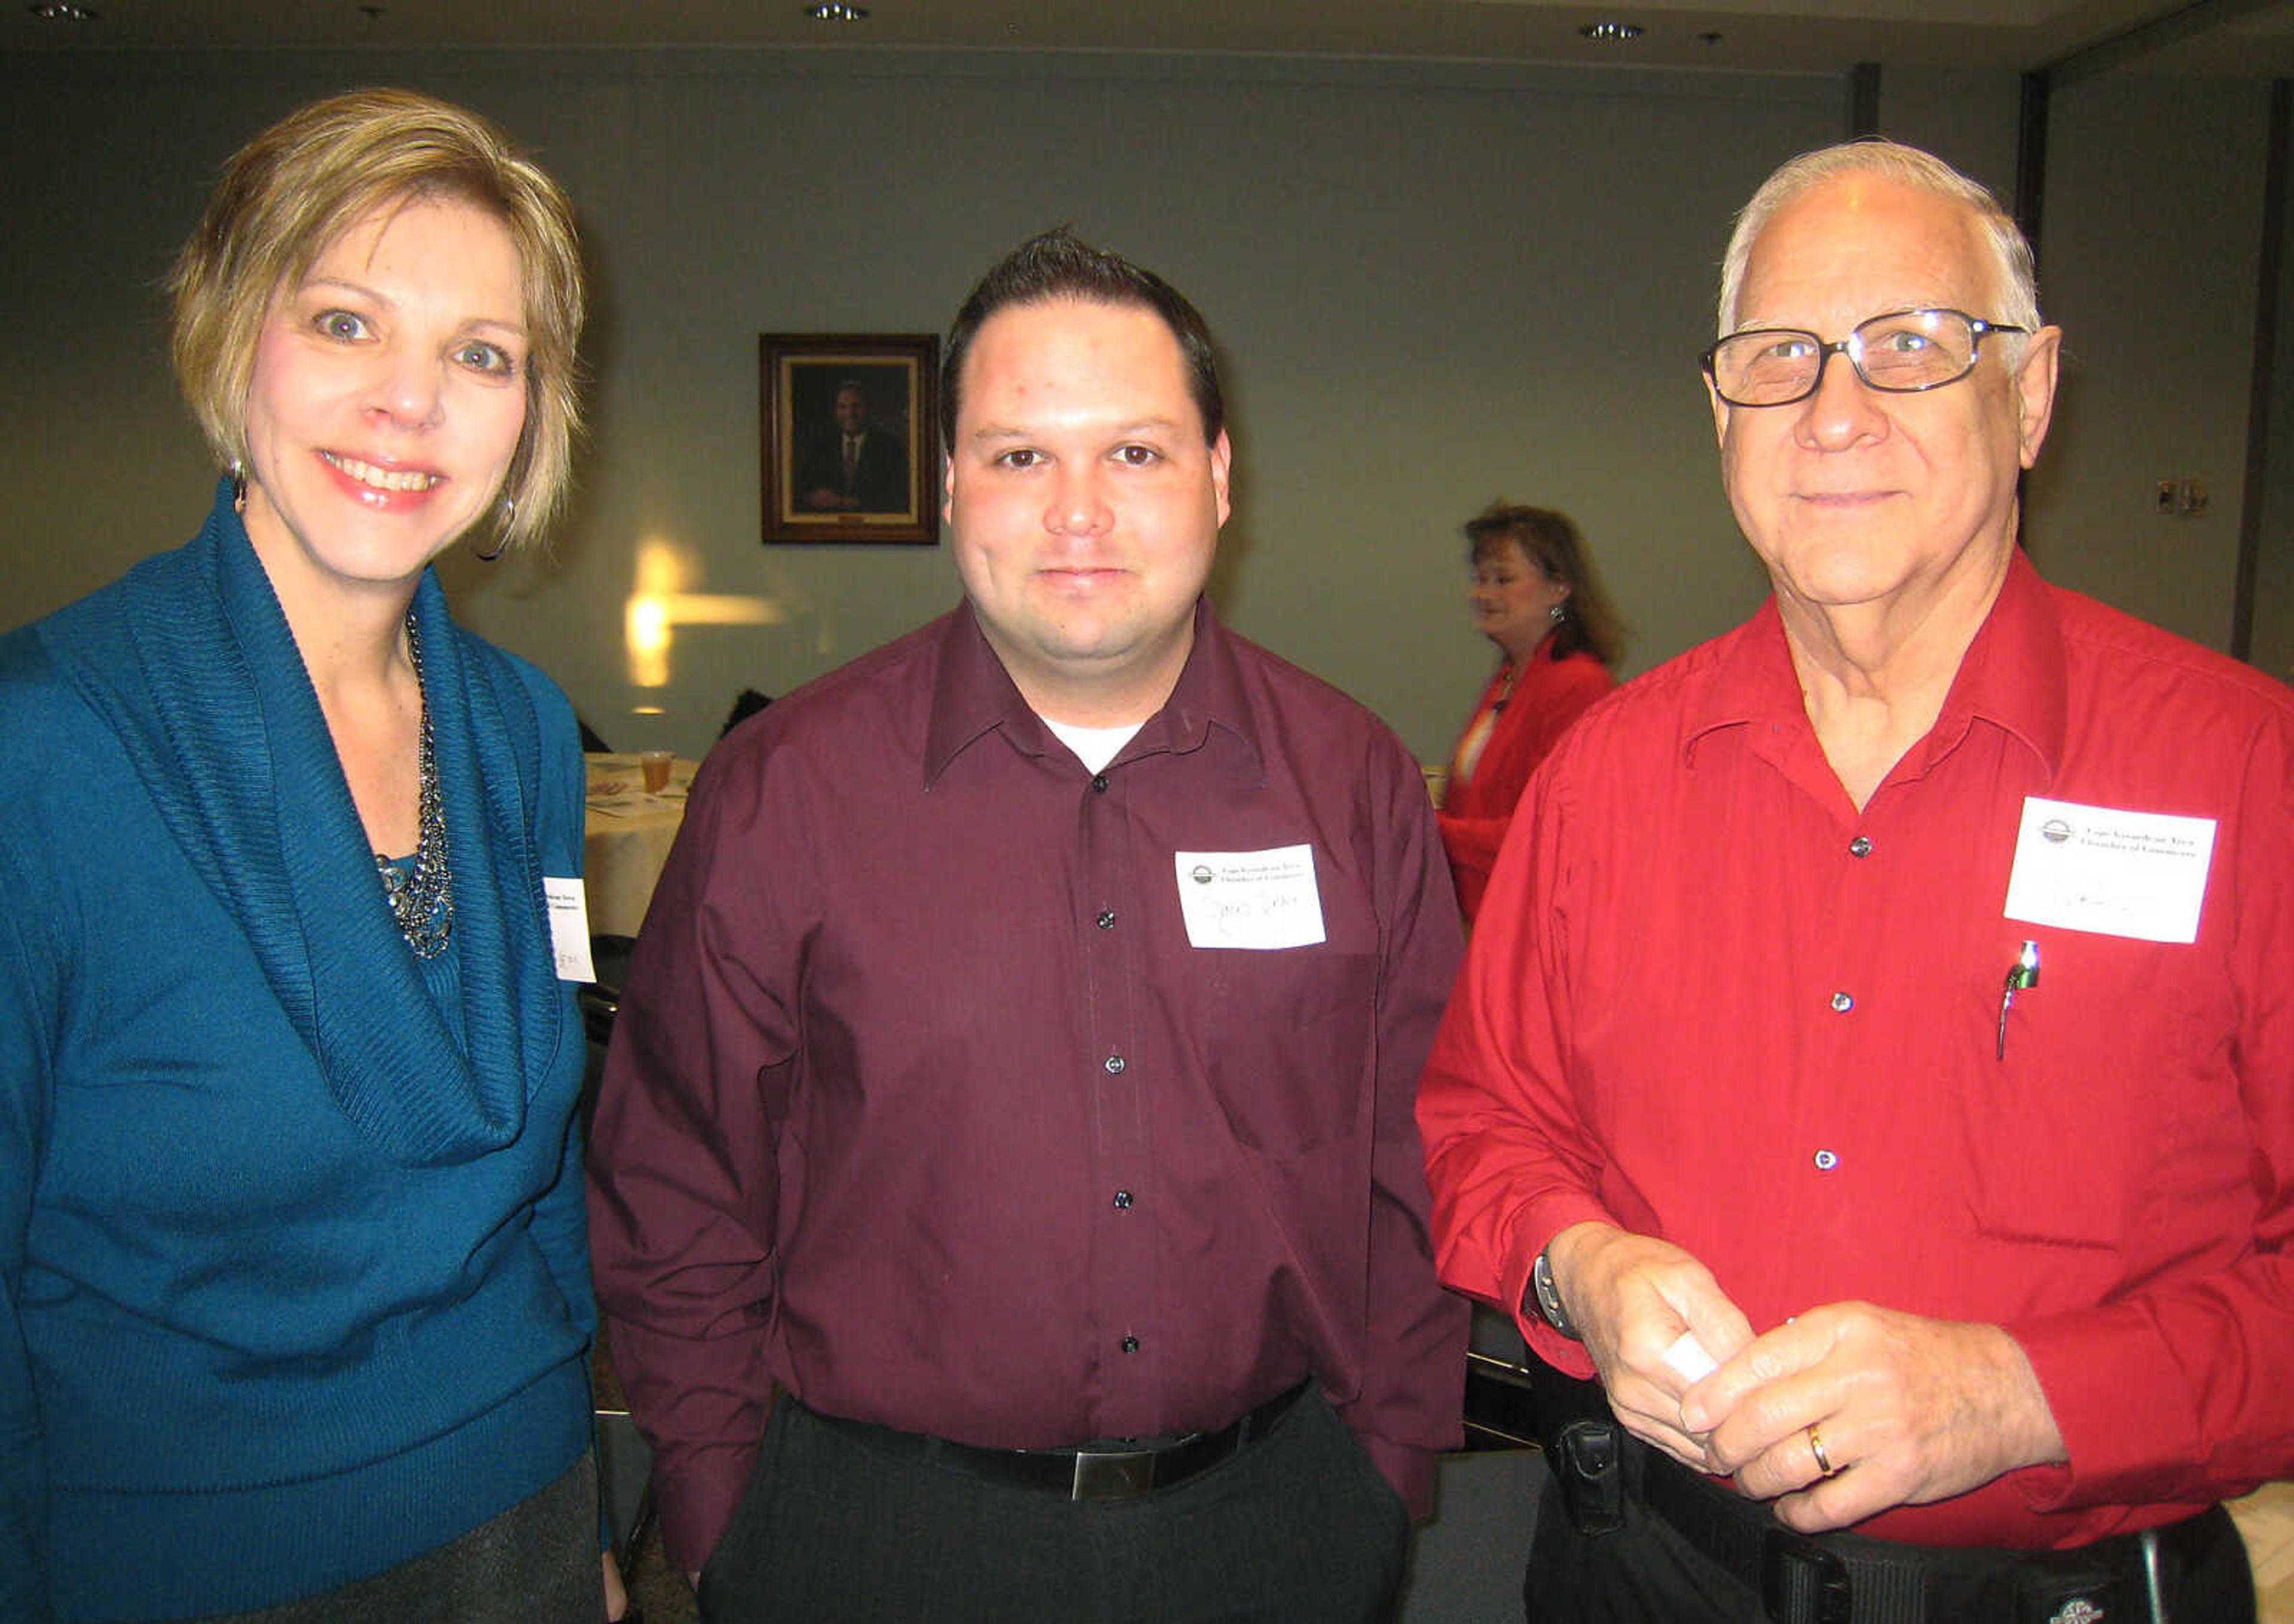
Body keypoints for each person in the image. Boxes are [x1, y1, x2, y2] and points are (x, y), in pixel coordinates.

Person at [1418, 137, 2291, 1624]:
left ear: (2027, 392)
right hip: (1640, 1570)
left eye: (1908, 344)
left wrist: (2019, 1394)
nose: (1832, 412)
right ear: (1718, 410)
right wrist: (1579, 1270)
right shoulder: (1607, 776)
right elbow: (1480, 1123)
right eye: (1777, 355)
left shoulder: (2244, 773)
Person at [587, 228, 1468, 1623]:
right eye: (1017, 455)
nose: (1077, 510)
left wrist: (1385, 1470)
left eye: (1134, 452)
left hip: (1276, 1524)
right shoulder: (788, 789)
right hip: (870, 1540)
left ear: (1219, 479)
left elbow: (1417, 1150)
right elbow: (676, 1170)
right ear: (947, 485)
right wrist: (716, 1512)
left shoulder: (1351, 782)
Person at [0, 90, 624, 1622]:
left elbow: (538, 1165)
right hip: (183, 1550)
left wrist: (589, 1504)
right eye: (346, 323)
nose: (410, 403)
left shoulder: (526, 731)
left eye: (481, 353)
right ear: (232, 338)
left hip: (523, 1510)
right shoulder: (45, 744)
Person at [1438, 502, 1622, 925]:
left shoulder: (1578, 686)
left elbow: (1548, 830)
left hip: (1535, 925)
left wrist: (1435, 831)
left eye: (1502, 579)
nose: (1482, 594)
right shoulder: (1509, 676)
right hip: (1485, 917)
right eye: (1480, 579)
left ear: (1559, 588)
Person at [796, 377, 910, 513]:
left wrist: (845, 502)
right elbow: (803, 494)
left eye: (856, 406)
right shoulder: (821, 448)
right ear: (835, 411)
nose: (850, 414)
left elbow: (899, 499)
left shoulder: (891, 448)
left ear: (867, 408)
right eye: (842, 407)